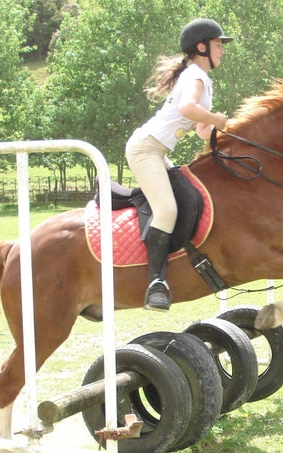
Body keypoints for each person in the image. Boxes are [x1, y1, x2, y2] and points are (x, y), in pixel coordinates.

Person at [125, 18, 233, 311]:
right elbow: (188, 109)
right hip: (146, 149)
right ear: (202, 47)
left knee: (188, 196)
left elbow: (200, 129)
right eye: (218, 44)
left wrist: (229, 131)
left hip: (157, 152)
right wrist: (216, 119)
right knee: (167, 209)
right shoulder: (195, 76)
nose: (222, 50)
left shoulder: (199, 77)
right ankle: (155, 283)